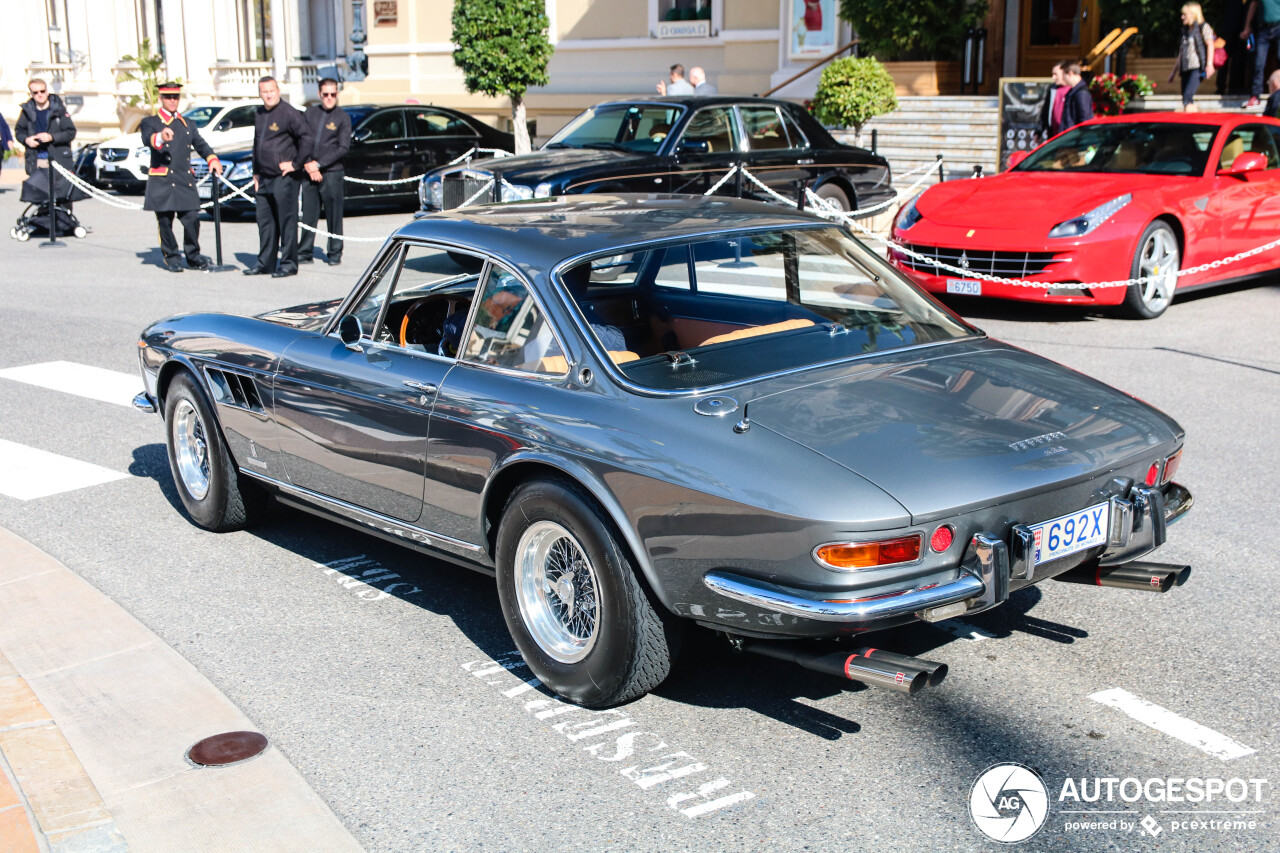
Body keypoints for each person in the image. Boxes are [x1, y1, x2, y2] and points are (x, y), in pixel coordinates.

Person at [138, 82, 222, 273]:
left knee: (192, 218)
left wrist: (212, 159)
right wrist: (160, 136)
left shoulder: (187, 124)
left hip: (184, 178)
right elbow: (148, 139)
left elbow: (200, 143)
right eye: (168, 97)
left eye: (175, 97)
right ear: (161, 99)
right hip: (163, 179)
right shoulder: (151, 122)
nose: (173, 101)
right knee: (165, 221)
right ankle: (172, 257)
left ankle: (193, 256)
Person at [244, 76, 312, 278]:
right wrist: (256, 171)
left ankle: (289, 264)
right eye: (264, 91)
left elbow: (307, 138)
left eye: (271, 91)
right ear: (260, 93)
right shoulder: (260, 113)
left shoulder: (288, 113)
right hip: (264, 177)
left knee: (286, 222)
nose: (268, 95)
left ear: (278, 90)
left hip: (284, 178)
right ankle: (265, 263)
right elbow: (257, 143)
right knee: (265, 222)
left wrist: (295, 163)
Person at [298, 78, 351, 266]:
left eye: (333, 94)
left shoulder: (343, 117)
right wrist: (307, 164)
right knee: (308, 214)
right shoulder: (310, 113)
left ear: (337, 94)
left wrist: (318, 164)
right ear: (320, 94)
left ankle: (334, 252)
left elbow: (343, 147)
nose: (329, 98)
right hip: (309, 171)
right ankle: (304, 252)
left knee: (334, 215)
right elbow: (300, 140)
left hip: (332, 173)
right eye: (326, 94)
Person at [14, 78, 76, 178]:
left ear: (47, 92)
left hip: (58, 159)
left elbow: (70, 132)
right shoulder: (27, 111)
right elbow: (19, 131)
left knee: (59, 193)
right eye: (36, 92)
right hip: (36, 160)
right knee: (39, 192)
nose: (40, 94)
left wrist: (52, 137)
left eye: (42, 91)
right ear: (31, 94)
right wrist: (26, 140)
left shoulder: (58, 109)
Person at [1169, 4, 1215, 112]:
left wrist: (1209, 65)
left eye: (1185, 14)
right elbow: (1181, 53)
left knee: (1187, 97)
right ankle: (1192, 116)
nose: (1182, 17)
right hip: (1185, 68)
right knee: (1185, 99)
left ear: (1193, 14)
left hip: (1199, 68)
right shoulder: (1185, 31)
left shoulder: (1203, 27)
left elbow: (1210, 44)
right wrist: (1173, 72)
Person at [1242, 0, 1280, 106]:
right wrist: (1247, 27)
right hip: (1263, 29)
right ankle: (1255, 96)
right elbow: (1253, 5)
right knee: (1258, 63)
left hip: (1278, 26)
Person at [1058, 61, 1094, 132]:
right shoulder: (1072, 92)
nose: (1063, 79)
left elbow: (1085, 120)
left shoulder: (1081, 93)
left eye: (1063, 75)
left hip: (1075, 139)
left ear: (1070, 74)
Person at [1038, 63, 1068, 139]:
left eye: (1056, 74)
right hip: (1053, 135)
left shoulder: (1072, 90)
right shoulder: (1053, 89)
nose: (1053, 77)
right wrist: (1039, 131)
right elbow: (1045, 111)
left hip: (1067, 135)